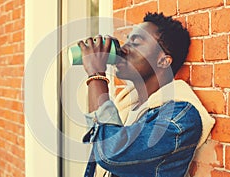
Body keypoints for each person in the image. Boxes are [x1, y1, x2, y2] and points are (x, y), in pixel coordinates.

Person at [78, 12, 215, 177]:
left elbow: (110, 151)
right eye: (127, 40)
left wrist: (96, 74)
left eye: (135, 42)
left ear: (163, 61)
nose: (123, 49)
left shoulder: (178, 118)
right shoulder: (126, 105)